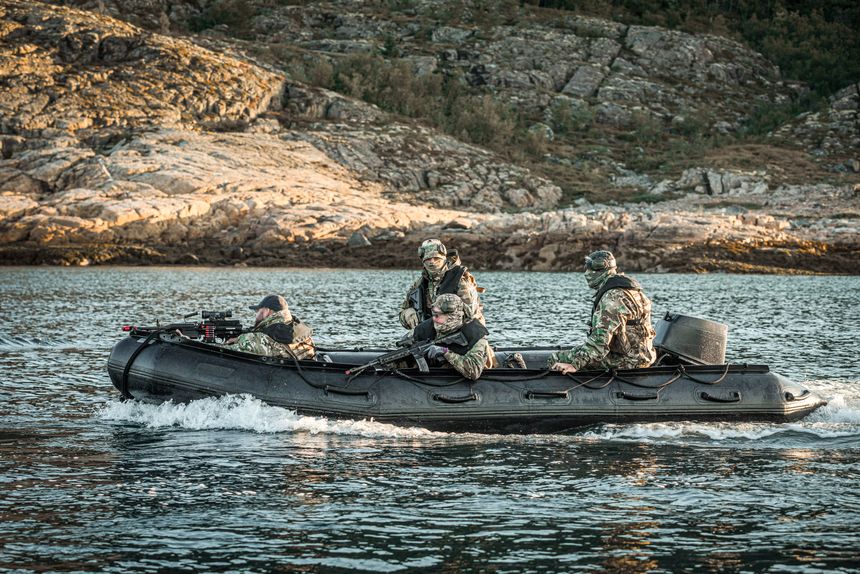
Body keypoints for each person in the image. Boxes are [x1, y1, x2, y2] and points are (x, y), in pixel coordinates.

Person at [549, 250, 656, 374]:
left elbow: (600, 342)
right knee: (577, 351)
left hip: (628, 361)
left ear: (602, 270)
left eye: (590, 270)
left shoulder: (613, 298)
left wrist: (575, 364)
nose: (587, 274)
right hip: (643, 355)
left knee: (555, 358)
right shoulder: (632, 290)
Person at [398, 239, 484, 330]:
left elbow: (471, 315)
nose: (432, 262)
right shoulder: (419, 284)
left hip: (465, 333)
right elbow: (403, 311)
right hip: (433, 336)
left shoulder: (459, 280)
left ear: (444, 259)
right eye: (428, 259)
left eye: (436, 259)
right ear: (423, 261)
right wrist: (408, 314)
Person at [412, 293, 496, 380]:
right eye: (434, 314)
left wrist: (445, 352)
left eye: (440, 315)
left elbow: (474, 371)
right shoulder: (424, 328)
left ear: (452, 317)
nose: (435, 319)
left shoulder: (475, 334)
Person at [224, 294, 315, 360]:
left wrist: (239, 339)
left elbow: (225, 351)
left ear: (267, 311)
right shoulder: (295, 328)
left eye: (258, 311)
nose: (256, 314)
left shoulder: (267, 335)